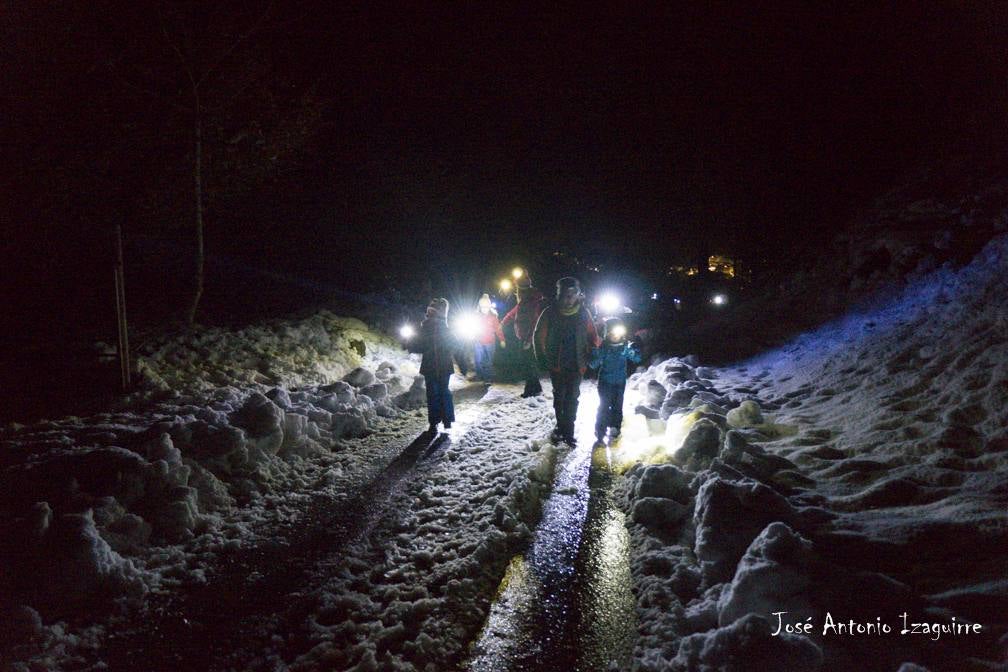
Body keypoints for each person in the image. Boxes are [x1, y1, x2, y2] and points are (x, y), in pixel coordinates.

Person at [533, 277, 600, 445]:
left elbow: (593, 336)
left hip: (577, 364)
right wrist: (541, 359)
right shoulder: (550, 313)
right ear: (558, 295)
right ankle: (561, 425)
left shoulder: (584, 313)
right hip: (556, 364)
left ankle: (568, 430)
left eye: (572, 295)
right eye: (565, 295)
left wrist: (595, 349)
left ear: (578, 295)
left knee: (572, 397)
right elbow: (538, 336)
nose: (568, 299)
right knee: (559, 396)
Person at [409, 298, 467, 434]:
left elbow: (456, 347)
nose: (430, 315)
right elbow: (419, 345)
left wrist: (410, 344)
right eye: (429, 312)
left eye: (432, 312)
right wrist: (410, 344)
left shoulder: (442, 330)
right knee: (439, 392)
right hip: (436, 367)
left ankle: (441, 421)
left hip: (438, 367)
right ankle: (437, 422)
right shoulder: (427, 328)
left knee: (437, 393)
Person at [589, 317, 642, 442]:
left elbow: (637, 359)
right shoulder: (604, 348)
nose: (615, 337)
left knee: (617, 406)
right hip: (605, 382)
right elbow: (593, 364)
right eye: (612, 334)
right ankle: (600, 428)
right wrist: (596, 353)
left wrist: (633, 350)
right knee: (604, 405)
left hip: (620, 382)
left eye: (618, 334)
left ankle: (615, 427)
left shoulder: (625, 347)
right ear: (607, 334)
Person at [501, 275, 546, 397]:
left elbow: (535, 321)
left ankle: (531, 390)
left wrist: (529, 339)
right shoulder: (524, 300)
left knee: (528, 364)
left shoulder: (532, 301)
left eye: (518, 289)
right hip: (524, 336)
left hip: (529, 338)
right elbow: (514, 312)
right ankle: (536, 387)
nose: (516, 292)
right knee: (528, 363)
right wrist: (503, 322)